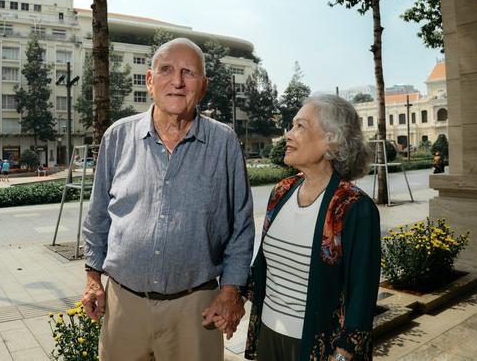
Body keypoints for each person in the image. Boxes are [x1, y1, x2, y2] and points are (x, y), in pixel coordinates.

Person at [81, 38, 254, 361]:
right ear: (149, 81)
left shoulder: (224, 143)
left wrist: (231, 291)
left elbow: (241, 228)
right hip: (124, 304)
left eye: (189, 73)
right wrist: (93, 279)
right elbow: (97, 218)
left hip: (195, 309)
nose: (177, 81)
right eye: (166, 70)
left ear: (203, 86)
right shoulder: (118, 137)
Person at [241, 95, 381, 361]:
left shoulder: (355, 208)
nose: (288, 135)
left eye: (300, 126)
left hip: (316, 348)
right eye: (292, 126)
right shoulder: (281, 192)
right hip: (269, 335)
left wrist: (344, 354)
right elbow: (263, 265)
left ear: (332, 139)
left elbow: (362, 297)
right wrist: (232, 295)